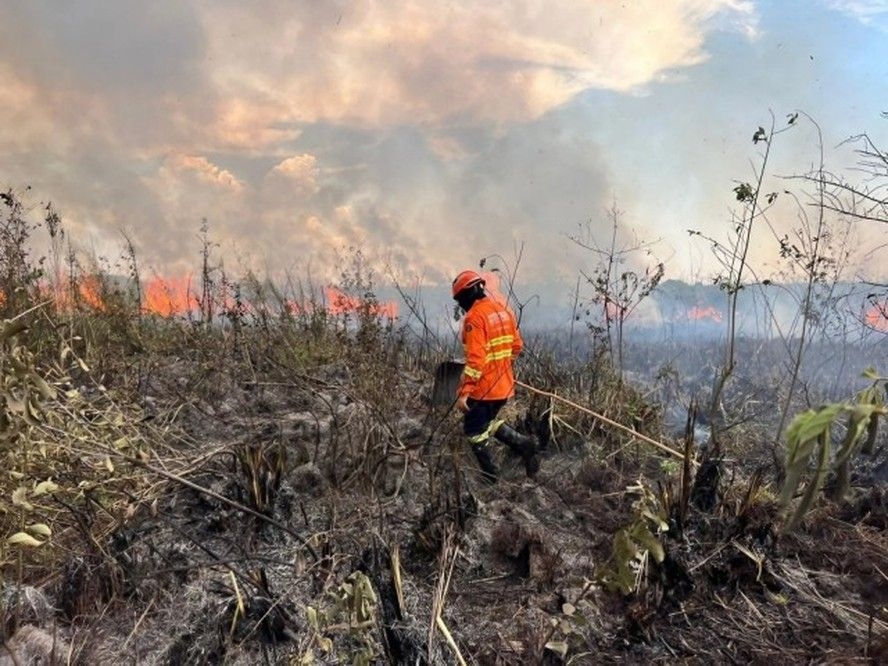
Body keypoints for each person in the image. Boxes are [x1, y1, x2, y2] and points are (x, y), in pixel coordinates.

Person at [451, 269, 539, 483]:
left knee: (473, 431)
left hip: (484, 389)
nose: (461, 305)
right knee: (486, 421)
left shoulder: (474, 318)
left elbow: (476, 360)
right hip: (503, 386)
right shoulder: (502, 310)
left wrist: (464, 393)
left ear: (468, 294)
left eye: (460, 299)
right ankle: (524, 444)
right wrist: (500, 365)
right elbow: (517, 346)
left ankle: (491, 477)